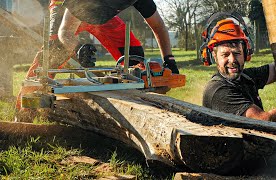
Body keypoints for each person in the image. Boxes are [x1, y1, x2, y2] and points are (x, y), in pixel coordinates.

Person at [15, 0, 144, 111]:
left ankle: (143, 84)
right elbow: (64, 32)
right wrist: (77, 47)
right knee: (53, 54)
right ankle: (24, 108)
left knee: (132, 52)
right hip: (65, 5)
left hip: (96, 8)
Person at [202, 19, 276, 123]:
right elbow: (264, 120)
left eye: (237, 53)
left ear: (245, 53)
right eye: (225, 55)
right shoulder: (218, 91)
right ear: (214, 57)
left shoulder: (245, 77)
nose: (232, 60)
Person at [59, 0, 179, 74]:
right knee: (53, 51)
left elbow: (158, 25)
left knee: (134, 58)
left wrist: (169, 59)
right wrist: (77, 47)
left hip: (104, 19)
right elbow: (65, 31)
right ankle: (42, 93)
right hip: (68, 16)